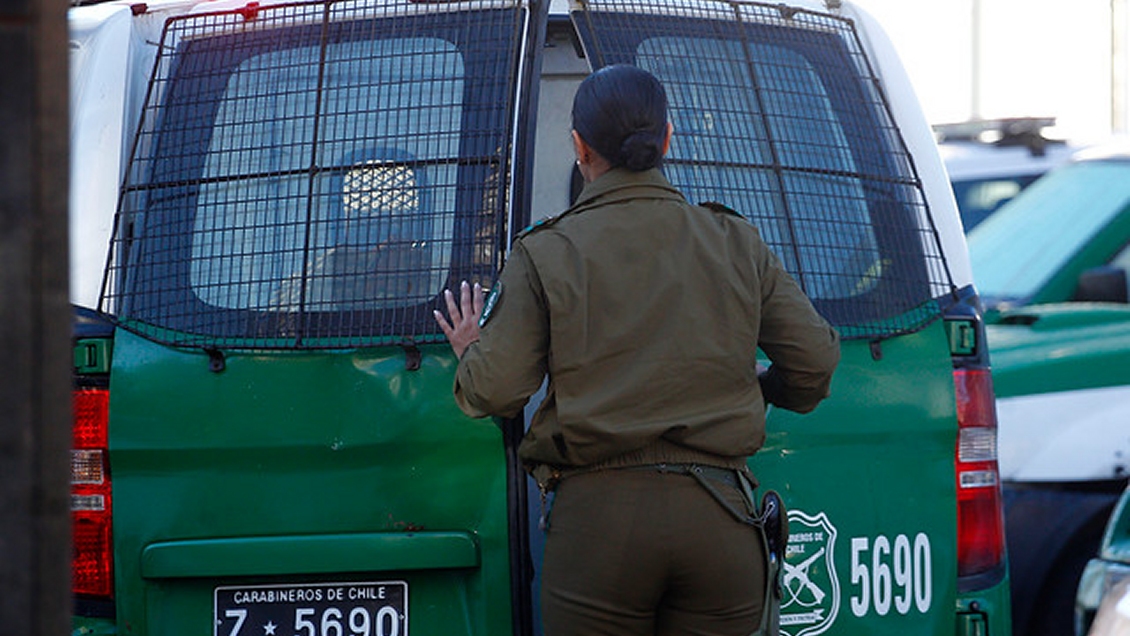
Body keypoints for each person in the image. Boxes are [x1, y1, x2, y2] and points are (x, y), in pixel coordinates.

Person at [433, 64, 840, 636]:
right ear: (668, 138)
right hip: (721, 522)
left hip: (599, 534)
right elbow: (815, 363)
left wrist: (473, 348)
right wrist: (763, 386)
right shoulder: (733, 240)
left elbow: (494, 391)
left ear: (579, 146)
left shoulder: (546, 251)